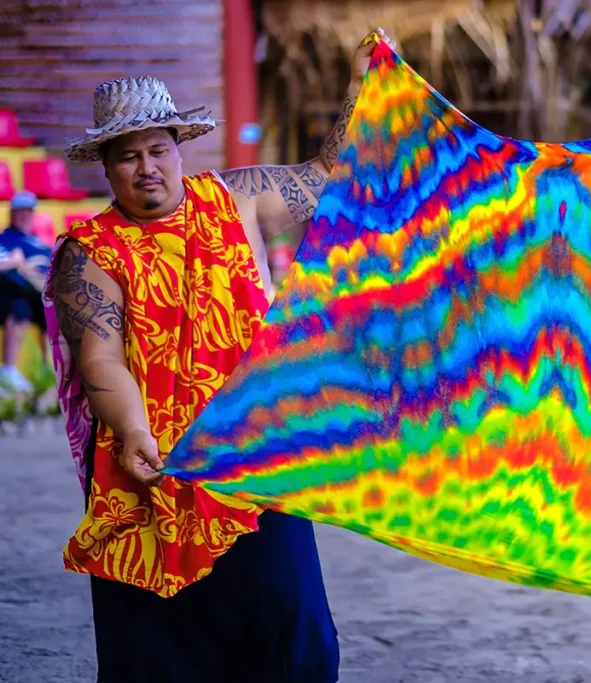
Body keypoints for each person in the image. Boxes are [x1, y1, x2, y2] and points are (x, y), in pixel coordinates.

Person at [44, 30, 395, 683]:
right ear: (106, 167)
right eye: (127, 157)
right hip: (148, 468)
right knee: (157, 656)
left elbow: (332, 175)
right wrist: (135, 430)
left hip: (252, 456)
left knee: (294, 635)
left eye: (156, 149)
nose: (146, 167)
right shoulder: (89, 252)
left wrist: (360, 89)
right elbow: (102, 358)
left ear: (179, 148)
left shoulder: (238, 199)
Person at [0, 190, 50, 392]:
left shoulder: (40, 243)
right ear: (11, 213)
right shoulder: (6, 238)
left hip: (41, 291)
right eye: (20, 211)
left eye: (28, 212)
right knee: (18, 304)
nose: (24, 216)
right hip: (12, 291)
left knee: (55, 312)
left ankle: (49, 372)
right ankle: (9, 370)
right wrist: (14, 263)